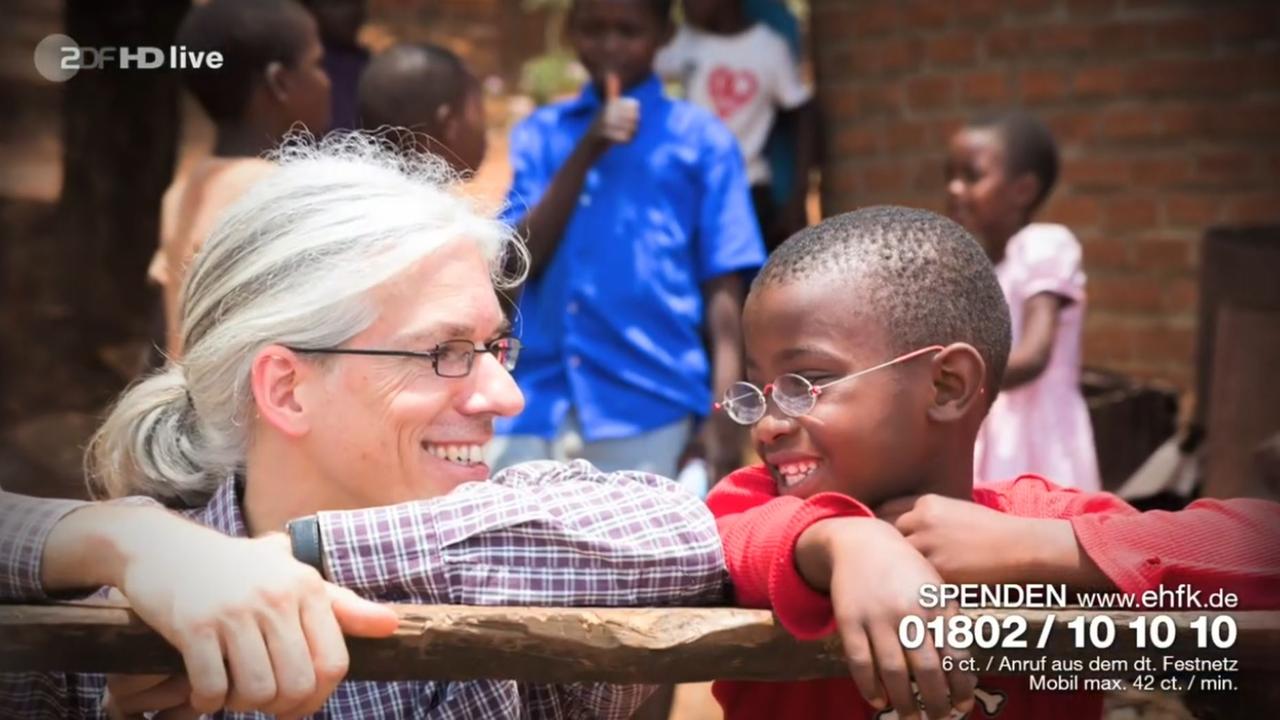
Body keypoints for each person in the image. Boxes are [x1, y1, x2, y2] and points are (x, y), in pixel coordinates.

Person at [0, 134, 728, 718]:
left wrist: (300, 556)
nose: (505, 396)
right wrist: (125, 540)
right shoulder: (106, 630)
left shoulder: (519, 554)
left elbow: (688, 537)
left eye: (494, 348)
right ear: (286, 389)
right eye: (445, 352)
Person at [706, 206, 1280, 719]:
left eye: (808, 383)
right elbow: (721, 543)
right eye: (762, 390)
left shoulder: (1037, 521)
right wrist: (847, 545)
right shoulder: (754, 506)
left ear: (947, 386)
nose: (769, 423)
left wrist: (1038, 549)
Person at [488, 0, 767, 486]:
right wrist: (586, 150)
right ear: (572, 31)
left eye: (628, 30)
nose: (610, 46)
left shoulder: (701, 140)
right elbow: (515, 261)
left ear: (664, 35)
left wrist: (722, 419)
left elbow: (724, 295)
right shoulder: (541, 134)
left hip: (650, 407)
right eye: (594, 30)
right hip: (535, 404)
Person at [150, 0, 331, 358]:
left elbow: (165, 334)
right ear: (279, 82)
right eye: (317, 64)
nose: (327, 81)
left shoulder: (184, 192)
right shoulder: (291, 196)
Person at [946, 111, 1101, 491]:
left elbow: (1033, 356)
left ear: (1023, 191)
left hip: (1039, 431)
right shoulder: (980, 265)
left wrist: (954, 378)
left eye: (972, 176)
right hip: (994, 424)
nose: (953, 188)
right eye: (949, 176)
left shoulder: (1043, 244)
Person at [655, 0, 816, 250]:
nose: (684, 6)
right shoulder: (686, 41)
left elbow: (802, 116)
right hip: (695, 188)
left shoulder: (768, 48)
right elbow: (641, 63)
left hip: (748, 189)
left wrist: (797, 198)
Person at [357, 43, 488, 174]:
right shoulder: (425, 195)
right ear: (449, 125)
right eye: (479, 110)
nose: (485, 126)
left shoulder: (348, 188)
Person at [302, 0, 370, 132]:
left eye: (357, 2)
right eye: (337, 3)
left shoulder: (371, 66)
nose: (352, 12)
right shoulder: (300, 68)